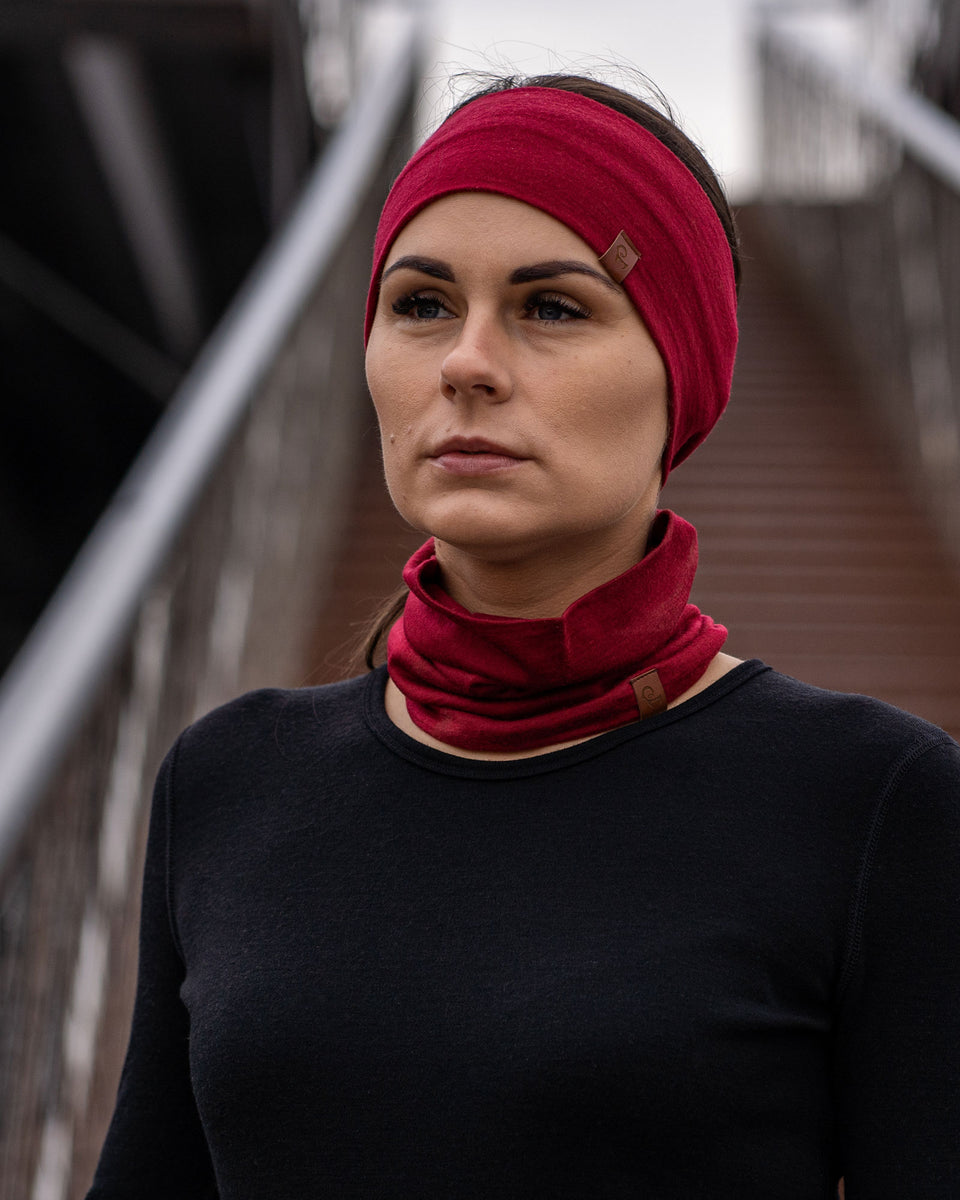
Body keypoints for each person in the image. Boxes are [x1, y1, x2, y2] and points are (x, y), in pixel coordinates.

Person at [86, 74, 960, 1199]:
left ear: (683, 370)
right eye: (421, 304)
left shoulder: (873, 800)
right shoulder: (228, 780)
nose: (465, 362)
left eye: (552, 308)